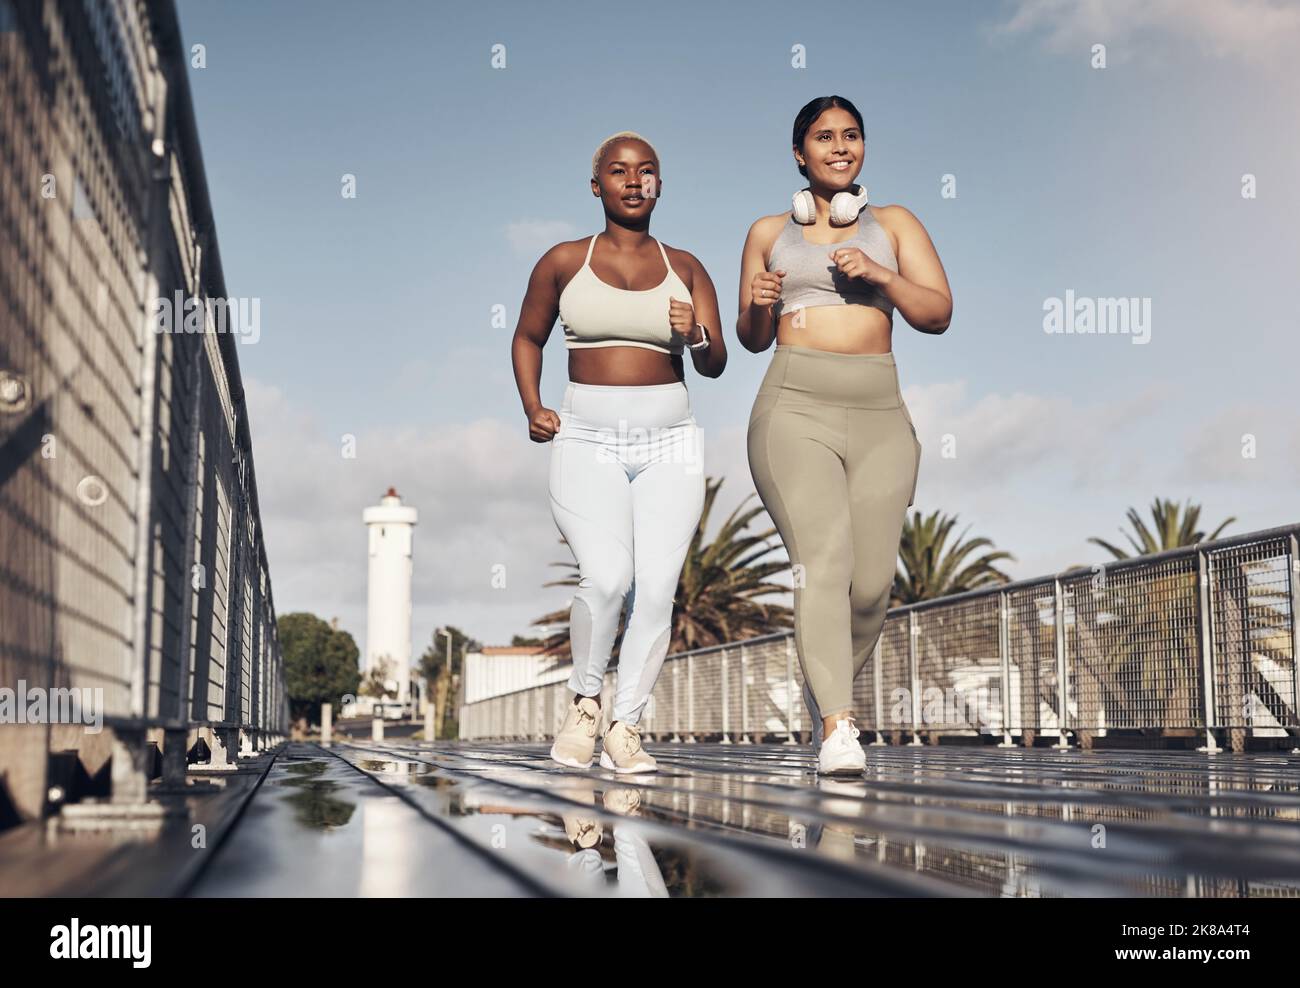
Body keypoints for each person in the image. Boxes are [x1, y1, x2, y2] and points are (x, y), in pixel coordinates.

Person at [738, 96, 952, 775]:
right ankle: (838, 725)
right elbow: (747, 339)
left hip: (881, 412)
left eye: (850, 135)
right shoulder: (769, 231)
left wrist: (882, 274)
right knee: (822, 563)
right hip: (794, 406)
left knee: (869, 589)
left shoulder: (895, 223)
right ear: (798, 153)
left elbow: (938, 313)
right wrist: (759, 305)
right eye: (823, 137)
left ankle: (822, 688)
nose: (839, 146)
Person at [511, 131, 726, 774]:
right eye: (620, 171)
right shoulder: (562, 260)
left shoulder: (685, 266)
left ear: (660, 184)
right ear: (597, 184)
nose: (634, 181)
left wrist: (697, 334)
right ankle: (585, 703)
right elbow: (527, 337)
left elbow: (715, 363)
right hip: (586, 435)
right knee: (606, 578)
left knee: (657, 587)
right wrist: (533, 407)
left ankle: (626, 725)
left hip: (671, 441)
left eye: (648, 171)